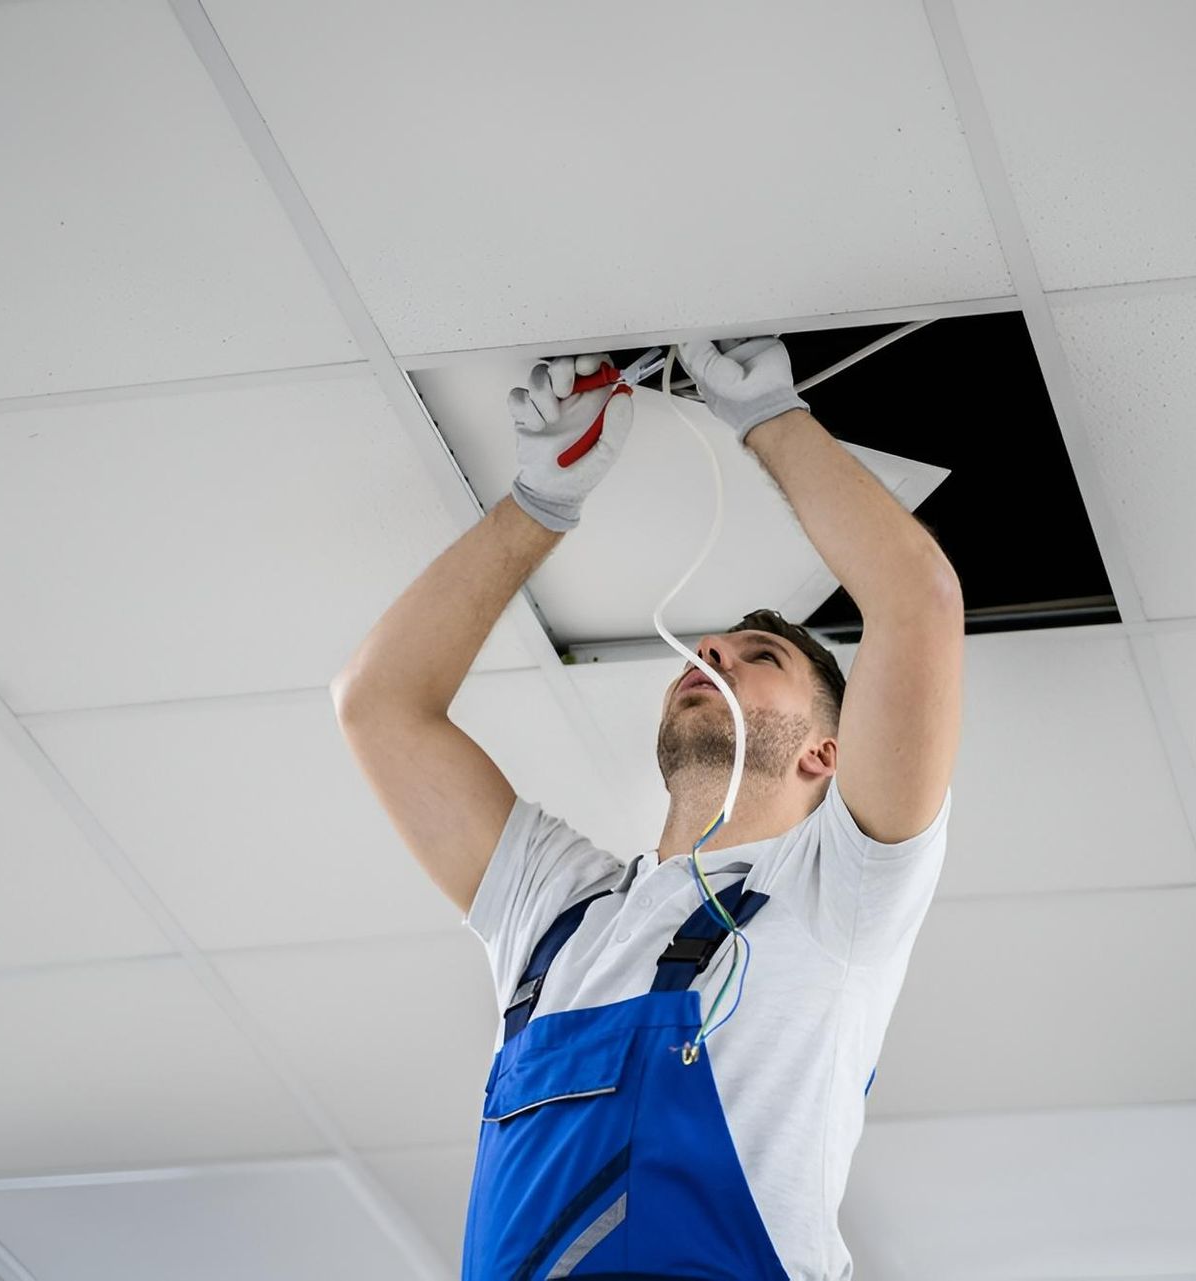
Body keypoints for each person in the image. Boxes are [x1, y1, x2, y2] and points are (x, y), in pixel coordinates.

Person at [331, 337, 964, 1280]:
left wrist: (771, 419)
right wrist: (539, 503)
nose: (712, 651)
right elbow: (375, 702)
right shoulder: (556, 916)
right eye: (711, 649)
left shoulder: (842, 892)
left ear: (828, 755)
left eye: (760, 657)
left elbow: (918, 599)